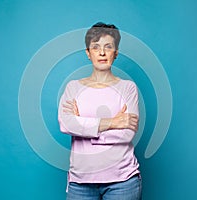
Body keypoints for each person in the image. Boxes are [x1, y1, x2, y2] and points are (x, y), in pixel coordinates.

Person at [58, 22, 142, 200]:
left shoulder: (128, 88)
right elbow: (66, 124)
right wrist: (112, 122)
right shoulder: (73, 88)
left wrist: (83, 127)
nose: (102, 53)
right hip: (80, 183)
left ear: (116, 52)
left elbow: (126, 134)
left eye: (108, 47)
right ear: (88, 53)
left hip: (123, 182)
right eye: (96, 47)